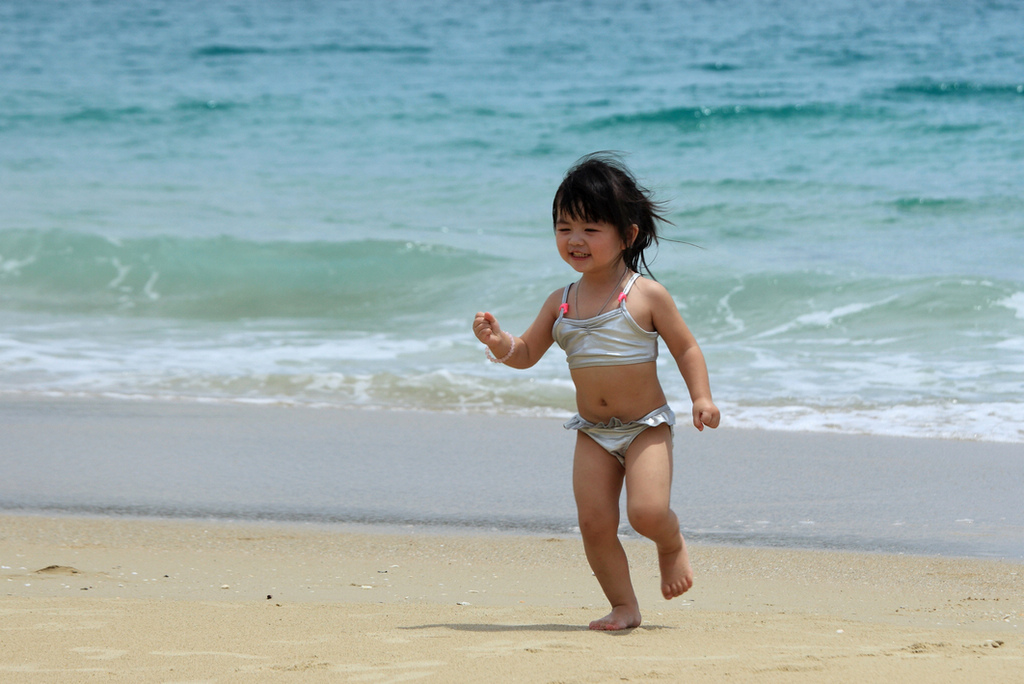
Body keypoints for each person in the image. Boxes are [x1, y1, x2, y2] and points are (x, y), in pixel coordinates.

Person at [473, 153, 720, 631]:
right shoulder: (561, 301)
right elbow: (526, 353)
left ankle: (670, 544)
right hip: (593, 432)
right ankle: (625, 605)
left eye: (590, 228)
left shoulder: (645, 295)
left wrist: (702, 398)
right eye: (565, 227)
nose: (575, 240)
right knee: (594, 524)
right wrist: (500, 343)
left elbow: (686, 347)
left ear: (628, 234)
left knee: (646, 513)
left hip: (645, 426)